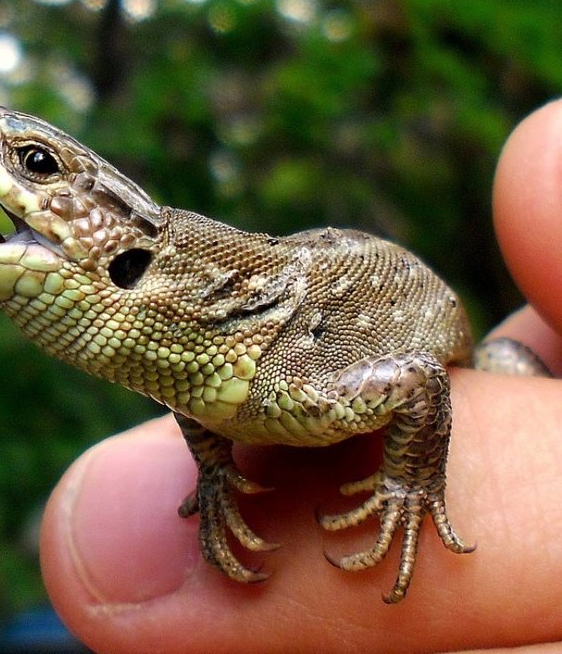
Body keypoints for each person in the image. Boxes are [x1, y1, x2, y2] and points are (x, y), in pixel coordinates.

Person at [39, 100, 562, 654]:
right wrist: (214, 469)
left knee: (505, 361)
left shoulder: (297, 378)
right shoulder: (196, 343)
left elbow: (417, 380)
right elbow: (187, 388)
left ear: (131, 257)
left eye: (38, 166)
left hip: (468, 361)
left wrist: (409, 482)